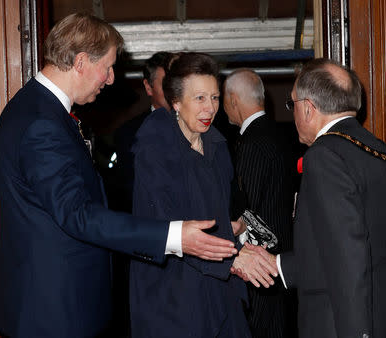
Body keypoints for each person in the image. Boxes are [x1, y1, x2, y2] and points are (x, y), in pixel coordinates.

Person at [0, 14, 239, 338]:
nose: (109, 79)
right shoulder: (43, 123)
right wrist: (175, 237)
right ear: (80, 62)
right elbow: (78, 214)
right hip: (52, 312)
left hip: (48, 303)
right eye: (106, 67)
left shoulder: (37, 109)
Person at [238, 58, 386, 338]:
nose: (293, 112)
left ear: (308, 108)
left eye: (292, 104)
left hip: (344, 324)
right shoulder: (379, 150)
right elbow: (349, 250)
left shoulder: (324, 156)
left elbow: (349, 259)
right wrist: (279, 265)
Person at [129, 52, 277, 338]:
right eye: (199, 98)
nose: (209, 108)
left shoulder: (217, 146)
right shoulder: (154, 149)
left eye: (214, 98)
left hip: (220, 294)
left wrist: (236, 236)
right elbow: (167, 225)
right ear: (175, 102)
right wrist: (231, 257)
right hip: (174, 298)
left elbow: (220, 213)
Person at [223, 68, 297, 338]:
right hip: (285, 262)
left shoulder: (252, 142)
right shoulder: (283, 135)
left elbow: (248, 211)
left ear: (232, 100)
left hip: (261, 268)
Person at [114, 51, 173, 212]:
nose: (173, 91)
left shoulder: (201, 127)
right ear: (148, 87)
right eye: (166, 85)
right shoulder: (128, 133)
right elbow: (128, 190)